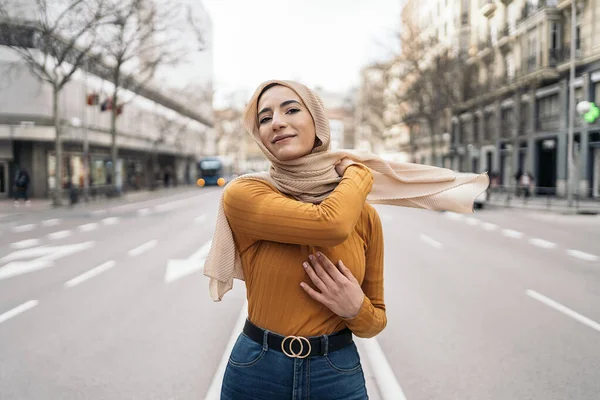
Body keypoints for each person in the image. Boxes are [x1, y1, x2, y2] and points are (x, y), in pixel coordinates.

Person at [204, 80, 489, 400]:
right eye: (265, 118)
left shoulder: (364, 216)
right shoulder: (246, 193)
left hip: (335, 373)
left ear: (318, 123)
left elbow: (374, 322)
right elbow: (330, 224)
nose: (277, 122)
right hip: (259, 372)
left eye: (291, 110)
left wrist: (356, 309)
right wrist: (358, 174)